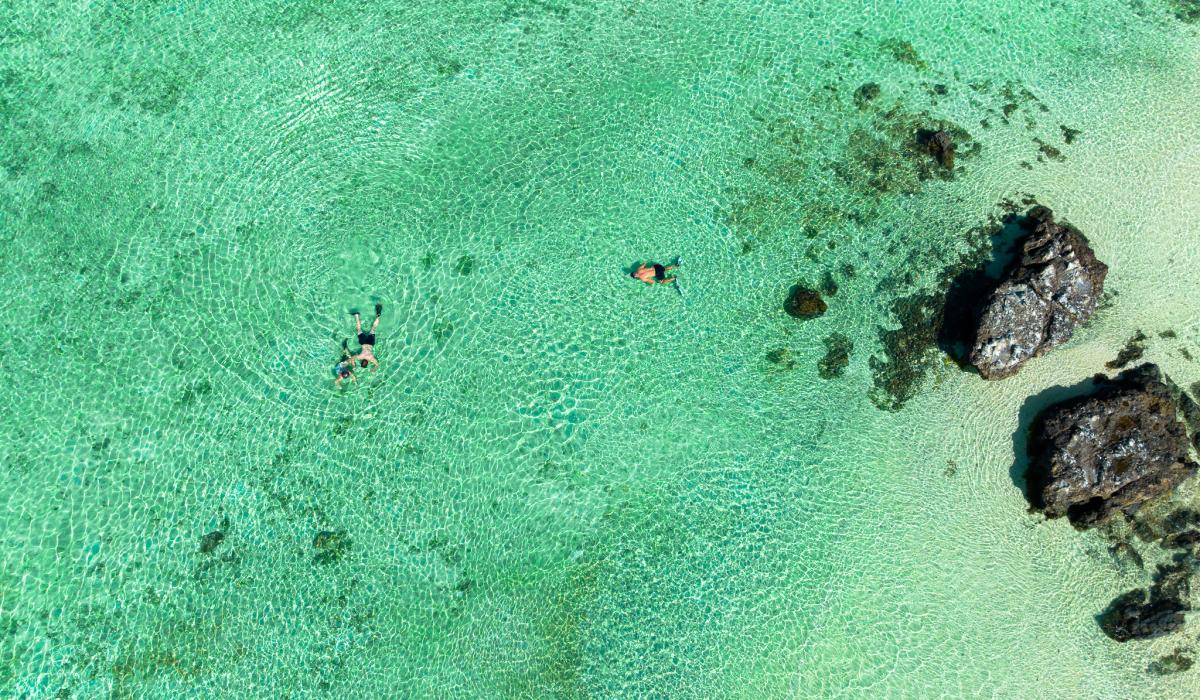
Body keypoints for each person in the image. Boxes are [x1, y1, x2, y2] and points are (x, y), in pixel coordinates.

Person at [351, 303, 382, 371]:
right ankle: (356, 315)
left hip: (370, 343)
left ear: (367, 362)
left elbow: (377, 365)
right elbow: (352, 359)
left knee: (373, 328)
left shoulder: (371, 358)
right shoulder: (360, 357)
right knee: (359, 329)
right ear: (362, 361)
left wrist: (373, 369)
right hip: (363, 343)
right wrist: (354, 366)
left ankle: (378, 315)